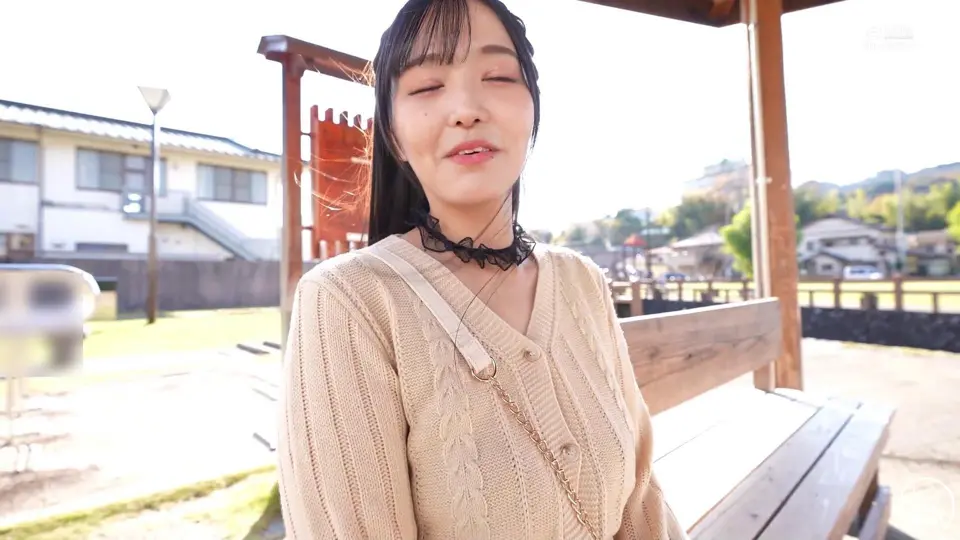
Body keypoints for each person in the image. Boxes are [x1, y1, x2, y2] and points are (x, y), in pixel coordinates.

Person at [277, 0, 687, 538]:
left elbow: (640, 497)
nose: (466, 109)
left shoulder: (581, 281)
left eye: (497, 76)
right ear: (394, 134)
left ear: (533, 109)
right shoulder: (350, 300)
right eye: (427, 86)